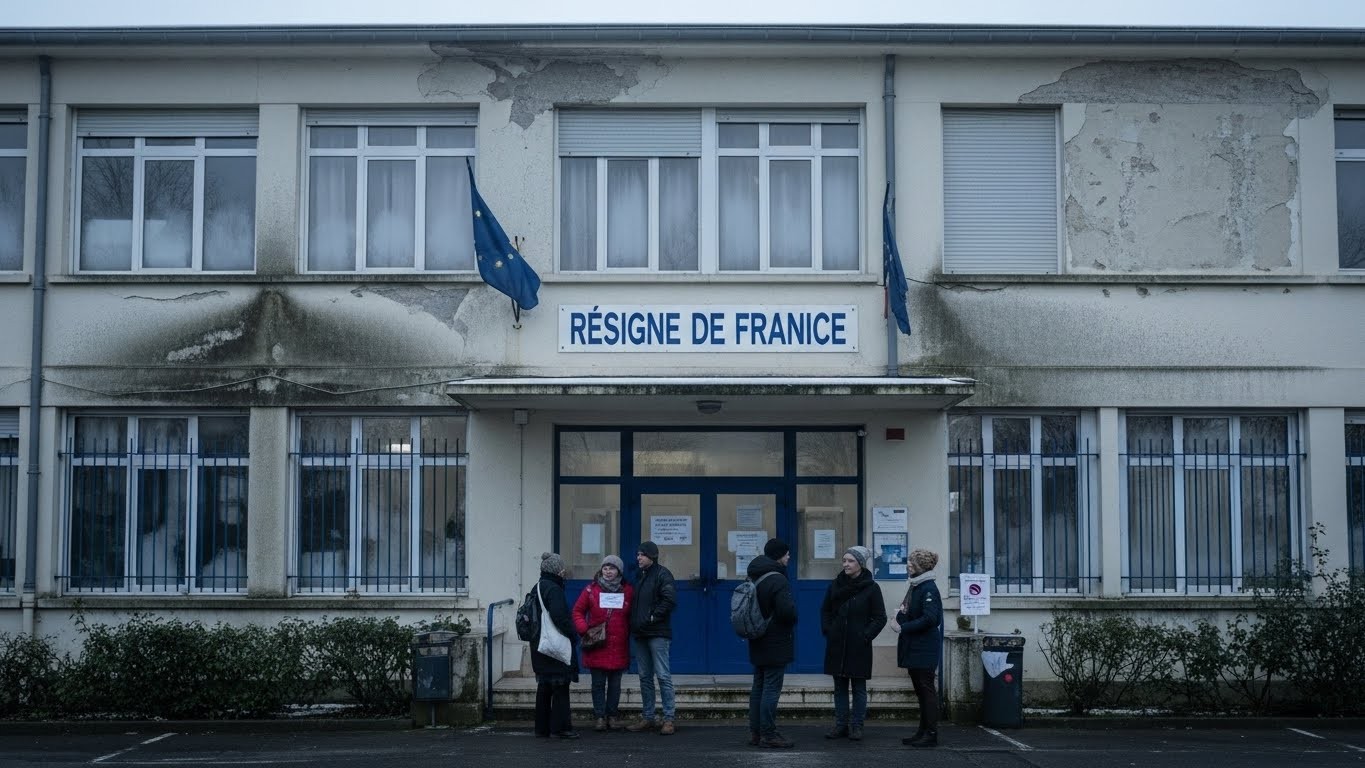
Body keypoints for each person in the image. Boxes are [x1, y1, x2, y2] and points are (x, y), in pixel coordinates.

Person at [820, 545, 887, 741]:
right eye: (844, 560)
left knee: (858, 688)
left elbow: (880, 617)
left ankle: (857, 726)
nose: (846, 564)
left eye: (850, 561)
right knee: (839, 687)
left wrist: (865, 636)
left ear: (860, 564)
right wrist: (829, 630)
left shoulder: (872, 588)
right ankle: (840, 726)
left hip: (859, 646)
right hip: (837, 644)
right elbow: (825, 610)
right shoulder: (835, 585)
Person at [746, 538, 799, 749]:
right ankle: (769, 733)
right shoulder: (777, 579)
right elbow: (787, 612)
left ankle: (755, 732)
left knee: (758, 686)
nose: (788, 557)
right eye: (786, 554)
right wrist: (794, 615)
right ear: (779, 555)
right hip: (775, 641)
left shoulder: (755, 575)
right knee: (771, 688)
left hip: (757, 638)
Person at [572, 554, 634, 732]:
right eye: (605, 568)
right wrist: (584, 630)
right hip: (597, 644)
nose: (608, 571)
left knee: (615, 685)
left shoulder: (628, 591)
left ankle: (612, 716)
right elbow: (577, 611)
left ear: (619, 571)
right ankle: (600, 716)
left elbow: (633, 615)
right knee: (598, 684)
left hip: (618, 645)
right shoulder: (591, 590)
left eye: (612, 568)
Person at [625, 540, 678, 735]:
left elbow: (669, 599)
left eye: (642, 554)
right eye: (638, 554)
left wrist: (653, 617)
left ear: (651, 556)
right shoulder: (640, 576)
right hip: (640, 633)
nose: (638, 558)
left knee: (663, 676)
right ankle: (648, 717)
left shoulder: (663, 574)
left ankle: (669, 718)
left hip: (657, 633)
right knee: (644, 677)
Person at [896, 548, 943, 748]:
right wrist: (900, 615)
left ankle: (930, 733)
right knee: (921, 692)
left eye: (911, 563)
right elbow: (909, 612)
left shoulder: (928, 588)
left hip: (924, 648)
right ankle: (922, 731)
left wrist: (903, 626)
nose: (908, 565)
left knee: (926, 691)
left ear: (920, 567)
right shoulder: (915, 587)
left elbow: (931, 618)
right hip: (914, 646)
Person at [532, 552, 581, 740]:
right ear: (556, 570)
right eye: (561, 568)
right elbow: (559, 616)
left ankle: (542, 728)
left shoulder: (537, 587)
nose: (564, 571)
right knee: (560, 687)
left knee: (544, 687)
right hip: (555, 645)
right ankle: (561, 728)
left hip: (540, 644)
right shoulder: (553, 589)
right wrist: (573, 635)